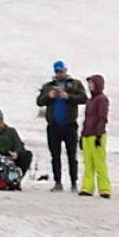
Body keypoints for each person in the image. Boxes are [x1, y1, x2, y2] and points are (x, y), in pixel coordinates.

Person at [36, 60, 87, 192]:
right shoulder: (48, 86)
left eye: (61, 71)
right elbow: (39, 102)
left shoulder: (75, 84)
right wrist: (50, 96)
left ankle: (74, 182)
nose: (59, 74)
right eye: (57, 72)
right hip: (53, 126)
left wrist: (68, 96)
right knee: (55, 156)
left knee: (72, 155)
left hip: (70, 125)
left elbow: (84, 98)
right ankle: (58, 182)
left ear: (66, 70)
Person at [0, 110, 31, 189]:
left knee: (27, 154)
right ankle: (1, 182)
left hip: (13, 158)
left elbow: (19, 145)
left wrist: (16, 153)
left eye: (0, 123)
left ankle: (16, 180)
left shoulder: (11, 132)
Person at [79, 74, 111, 199]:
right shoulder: (90, 100)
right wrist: (82, 135)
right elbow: (86, 119)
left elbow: (102, 118)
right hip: (87, 134)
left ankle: (104, 188)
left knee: (99, 163)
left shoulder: (102, 99)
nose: (90, 87)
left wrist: (99, 134)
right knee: (88, 163)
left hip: (97, 135)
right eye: (89, 84)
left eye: (92, 84)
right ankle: (87, 187)